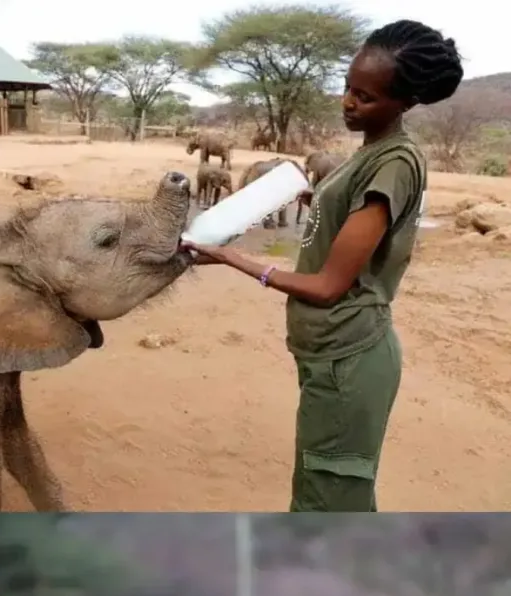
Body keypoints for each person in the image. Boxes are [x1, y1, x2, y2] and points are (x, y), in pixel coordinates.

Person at [182, 20, 464, 512]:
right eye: (347, 88)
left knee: (325, 501)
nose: (348, 103)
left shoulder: (394, 162)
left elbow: (330, 285)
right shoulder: (372, 152)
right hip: (332, 355)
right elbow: (353, 221)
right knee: (332, 491)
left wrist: (234, 258)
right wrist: (317, 200)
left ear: (405, 102)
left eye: (366, 96)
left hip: (348, 358)